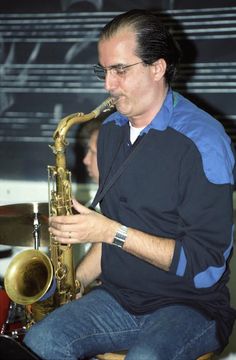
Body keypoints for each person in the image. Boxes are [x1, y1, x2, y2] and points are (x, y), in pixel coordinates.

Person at [23, 9, 236, 360]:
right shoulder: (110, 133)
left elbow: (206, 263)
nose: (108, 85)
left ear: (157, 67)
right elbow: (111, 233)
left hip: (191, 306)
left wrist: (110, 232)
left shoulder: (203, 142)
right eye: (104, 71)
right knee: (41, 341)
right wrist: (73, 284)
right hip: (120, 298)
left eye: (120, 70)